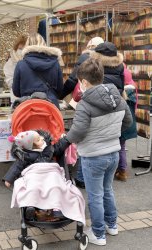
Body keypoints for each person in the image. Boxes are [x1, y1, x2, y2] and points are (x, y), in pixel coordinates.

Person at [66, 58, 132, 246]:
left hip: (93, 156)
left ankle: (98, 233)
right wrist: (111, 134)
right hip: (113, 153)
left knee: (95, 195)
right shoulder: (117, 98)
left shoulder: (85, 104)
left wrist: (65, 140)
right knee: (107, 190)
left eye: (79, 82)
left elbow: (77, 132)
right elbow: (127, 121)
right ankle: (112, 225)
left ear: (84, 82)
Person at [59, 36, 105, 189]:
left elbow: (73, 79)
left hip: (86, 100)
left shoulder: (85, 58)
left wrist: (60, 95)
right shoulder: (112, 60)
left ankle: (81, 177)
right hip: (105, 101)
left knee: (84, 138)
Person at [3, 129, 70, 187]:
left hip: (50, 171)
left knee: (55, 177)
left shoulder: (48, 147)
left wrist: (65, 139)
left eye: (40, 136)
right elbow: (16, 167)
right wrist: (9, 179)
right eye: (38, 140)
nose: (42, 138)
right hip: (35, 175)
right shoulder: (26, 156)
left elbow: (58, 148)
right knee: (30, 179)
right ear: (31, 147)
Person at [12, 33, 63, 108]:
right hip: (51, 107)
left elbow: (16, 91)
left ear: (27, 46)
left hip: (28, 107)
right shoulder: (55, 63)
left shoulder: (21, 64)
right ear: (44, 44)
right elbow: (60, 89)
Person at [116, 64, 137, 181]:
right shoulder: (132, 88)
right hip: (128, 121)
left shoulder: (120, 90)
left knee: (118, 145)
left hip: (120, 120)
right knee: (122, 146)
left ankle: (121, 170)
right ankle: (122, 170)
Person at [3, 34, 27, 104]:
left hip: (30, 96)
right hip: (16, 97)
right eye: (20, 49)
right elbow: (9, 79)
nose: (21, 51)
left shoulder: (31, 60)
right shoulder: (11, 61)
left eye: (24, 49)